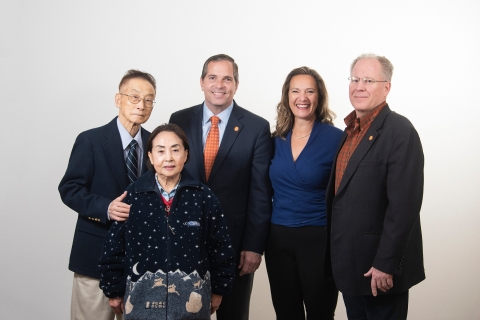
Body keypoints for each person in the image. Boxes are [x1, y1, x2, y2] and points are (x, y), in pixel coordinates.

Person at [169, 54, 273, 320]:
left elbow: (260, 194)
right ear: (202, 82)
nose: (220, 84)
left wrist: (253, 246)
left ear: (236, 85)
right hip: (184, 243)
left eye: (227, 78)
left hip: (235, 247)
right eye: (213, 77)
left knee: (234, 316)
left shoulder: (256, 127)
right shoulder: (179, 120)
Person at [99, 124, 235, 319]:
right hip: (141, 303)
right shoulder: (133, 196)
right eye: (161, 151)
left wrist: (219, 289)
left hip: (191, 305)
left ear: (186, 155)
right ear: (151, 157)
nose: (168, 158)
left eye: (176, 150)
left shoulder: (204, 197)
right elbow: (114, 247)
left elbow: (221, 247)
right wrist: (113, 290)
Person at [326, 54, 425, 320]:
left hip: (379, 271)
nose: (359, 86)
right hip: (351, 267)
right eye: (355, 79)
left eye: (368, 80)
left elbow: (404, 207)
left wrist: (386, 263)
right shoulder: (349, 131)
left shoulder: (400, 132)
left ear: (386, 87)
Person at [59, 69, 156, 320]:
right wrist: (106, 208)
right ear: (118, 100)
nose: (141, 105)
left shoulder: (156, 146)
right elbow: (69, 189)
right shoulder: (90, 140)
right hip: (95, 257)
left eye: (149, 99)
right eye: (134, 97)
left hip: (142, 263)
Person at [265, 67, 342, 320]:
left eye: (310, 91)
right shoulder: (275, 140)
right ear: (287, 96)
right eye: (296, 91)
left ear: (319, 97)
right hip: (277, 240)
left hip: (318, 239)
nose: (303, 97)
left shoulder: (336, 139)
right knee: (286, 314)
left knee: (320, 314)